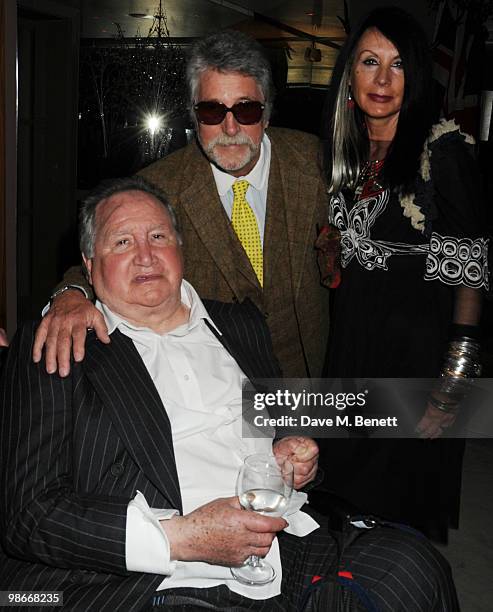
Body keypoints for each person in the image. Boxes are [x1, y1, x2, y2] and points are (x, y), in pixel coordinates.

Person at [0, 177, 458, 611]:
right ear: (88, 261)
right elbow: (28, 513)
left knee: (415, 567)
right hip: (163, 577)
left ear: (180, 249)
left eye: (158, 237)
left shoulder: (239, 326)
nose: (144, 255)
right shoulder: (60, 343)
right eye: (122, 242)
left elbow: (282, 430)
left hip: (290, 547)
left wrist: (295, 455)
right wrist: (177, 538)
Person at [34, 30, 329, 379]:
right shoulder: (158, 186)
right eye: (212, 110)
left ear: (267, 113)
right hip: (216, 393)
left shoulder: (313, 161)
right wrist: (69, 297)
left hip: (313, 384)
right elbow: (98, 257)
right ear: (194, 115)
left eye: (246, 109)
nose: (230, 127)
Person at [316, 7, 489, 541]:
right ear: (351, 73)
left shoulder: (442, 150)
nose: (383, 80)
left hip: (413, 361)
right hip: (350, 353)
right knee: (339, 509)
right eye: (370, 62)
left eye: (397, 65)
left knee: (393, 520)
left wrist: (452, 384)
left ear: (415, 77)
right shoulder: (344, 150)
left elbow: (472, 273)